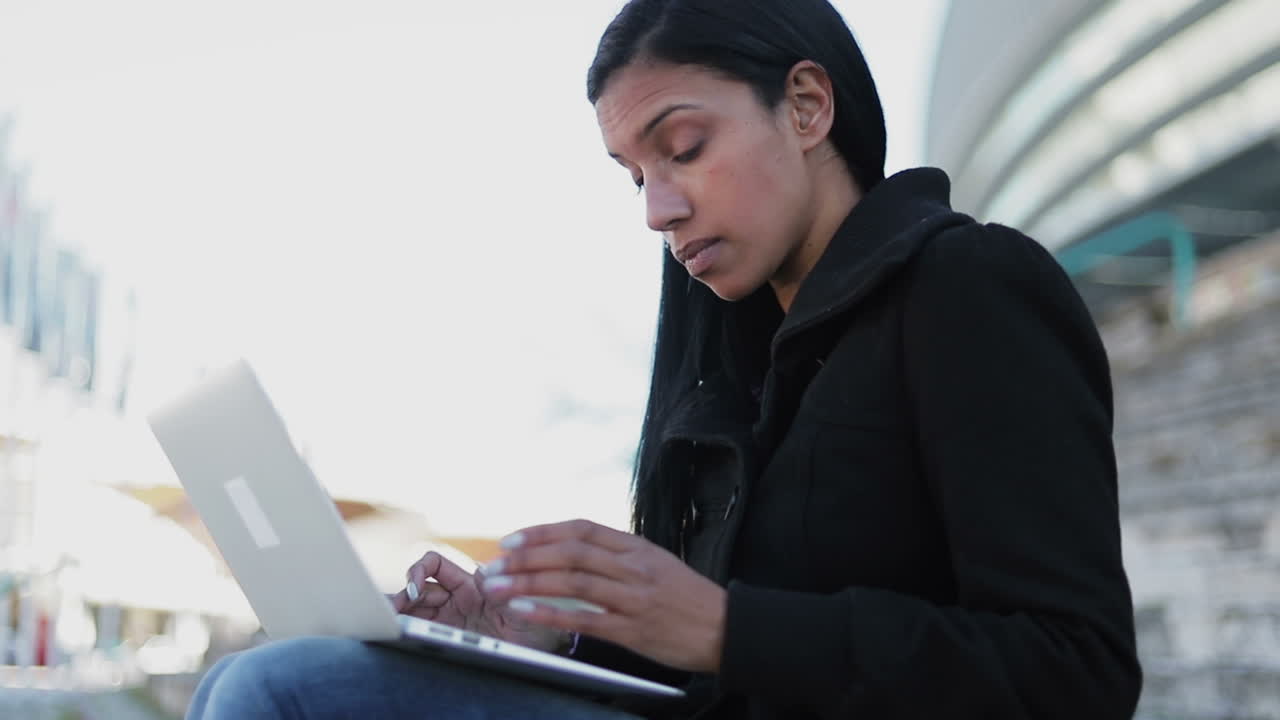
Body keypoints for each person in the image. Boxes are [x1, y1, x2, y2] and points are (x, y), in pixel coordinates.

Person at [186, 0, 1143, 718]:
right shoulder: (724, 368)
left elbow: (1078, 669)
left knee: (285, 690)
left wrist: (728, 629)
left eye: (682, 148)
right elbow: (702, 662)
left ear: (807, 105)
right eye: (635, 177)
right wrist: (551, 641)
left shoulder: (968, 288)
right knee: (244, 675)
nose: (657, 209)